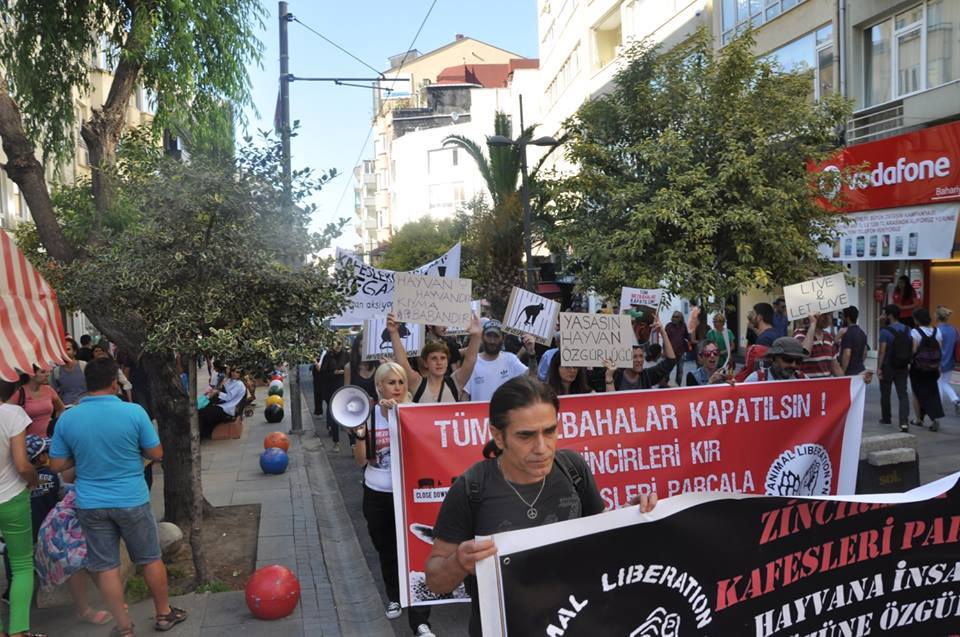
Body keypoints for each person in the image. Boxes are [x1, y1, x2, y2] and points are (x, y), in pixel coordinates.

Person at [425, 376, 657, 637]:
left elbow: (599, 534)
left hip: (575, 625)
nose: (542, 448)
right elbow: (435, 582)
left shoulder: (572, 469)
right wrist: (459, 562)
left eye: (550, 431)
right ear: (498, 436)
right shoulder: (472, 487)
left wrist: (630, 516)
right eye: (526, 436)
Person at [49, 356, 185, 636]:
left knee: (106, 566)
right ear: (114, 384)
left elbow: (57, 465)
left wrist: (82, 455)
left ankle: (123, 627)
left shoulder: (68, 418)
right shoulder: (133, 412)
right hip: (131, 498)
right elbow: (156, 453)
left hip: (90, 503)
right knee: (150, 558)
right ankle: (163, 614)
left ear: (87, 384)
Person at [351, 362, 434, 637]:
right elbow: (360, 461)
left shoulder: (414, 412)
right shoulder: (369, 415)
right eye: (391, 382)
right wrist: (360, 435)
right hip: (376, 493)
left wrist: (400, 415)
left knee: (416, 552)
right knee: (386, 549)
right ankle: (394, 596)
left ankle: (420, 620)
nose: (397, 387)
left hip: (408, 494)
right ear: (379, 386)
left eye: (401, 382)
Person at [0, 378, 43, 637]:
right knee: (22, 564)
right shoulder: (13, 414)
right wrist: (34, 480)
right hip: (12, 496)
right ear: (14, 391)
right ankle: (18, 631)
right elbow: (22, 465)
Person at [35, 485, 113, 626]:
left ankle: (112, 600)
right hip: (68, 519)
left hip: (91, 509)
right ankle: (85, 611)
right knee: (74, 558)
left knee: (94, 553)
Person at [388, 312, 481, 404]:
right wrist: (394, 333)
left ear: (447, 362)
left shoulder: (455, 383)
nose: (439, 362)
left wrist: (476, 336)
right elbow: (403, 363)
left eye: (443, 358)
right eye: (434, 358)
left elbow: (470, 360)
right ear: (426, 363)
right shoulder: (417, 384)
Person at [461, 321, 536, 402]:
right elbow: (464, 395)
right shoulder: (473, 363)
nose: (492, 341)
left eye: (496, 336)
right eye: (489, 336)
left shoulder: (510, 359)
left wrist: (531, 353)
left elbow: (531, 377)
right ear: (482, 337)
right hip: (480, 410)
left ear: (503, 338)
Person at [609, 317, 676, 391]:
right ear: (625, 358)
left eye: (641, 356)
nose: (639, 360)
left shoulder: (647, 376)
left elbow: (671, 361)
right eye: (634, 357)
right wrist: (609, 378)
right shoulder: (616, 376)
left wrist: (663, 332)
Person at [877, 304, 913, 432]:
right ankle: (904, 422)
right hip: (903, 365)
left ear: (890, 316)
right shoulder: (908, 329)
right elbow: (912, 346)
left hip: (888, 366)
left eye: (885, 314)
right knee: (903, 393)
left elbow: (882, 351)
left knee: (885, 392)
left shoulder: (885, 331)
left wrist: (879, 368)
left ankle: (886, 418)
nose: (883, 316)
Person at [909, 307, 944, 432]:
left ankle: (918, 419)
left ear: (917, 320)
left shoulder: (915, 332)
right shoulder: (937, 331)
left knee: (917, 392)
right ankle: (935, 418)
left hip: (918, 368)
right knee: (932, 392)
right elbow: (940, 350)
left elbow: (913, 350)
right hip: (933, 367)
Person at [198, 366, 246, 439]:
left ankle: (201, 435)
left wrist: (218, 392)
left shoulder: (239, 384)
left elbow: (228, 397)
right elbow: (221, 387)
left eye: (237, 372)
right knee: (203, 410)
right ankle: (205, 432)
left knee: (203, 413)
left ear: (241, 373)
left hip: (228, 408)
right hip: (223, 404)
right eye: (233, 371)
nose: (234, 373)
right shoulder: (231, 380)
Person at [735, 302, 778, 382]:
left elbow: (760, 368)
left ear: (759, 317)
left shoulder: (764, 339)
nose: (752, 318)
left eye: (754, 314)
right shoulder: (774, 334)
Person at [17, 367, 64, 437]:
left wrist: (55, 424)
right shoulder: (19, 392)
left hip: (50, 438)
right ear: (31, 374)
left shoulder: (49, 389)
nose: (48, 374)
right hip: (29, 440)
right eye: (43, 372)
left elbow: (60, 408)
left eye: (48, 371)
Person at [795, 314, 843, 379]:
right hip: (807, 384)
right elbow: (805, 353)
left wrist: (850, 381)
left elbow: (835, 367)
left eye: (829, 313)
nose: (827, 317)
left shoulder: (828, 336)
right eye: (823, 314)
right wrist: (813, 324)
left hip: (825, 384)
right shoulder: (800, 333)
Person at [742, 337, 807, 382]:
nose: (793, 365)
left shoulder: (803, 379)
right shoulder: (755, 379)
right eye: (788, 359)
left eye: (798, 360)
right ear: (773, 358)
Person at [935, 306, 959, 415]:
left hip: (939, 361)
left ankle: (938, 406)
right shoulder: (954, 329)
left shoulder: (937, 330)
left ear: (937, 317)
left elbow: (936, 348)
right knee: (944, 382)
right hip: (951, 361)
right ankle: (956, 400)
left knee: (939, 383)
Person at [51, 337, 87, 406]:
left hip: (84, 406)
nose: (65, 353)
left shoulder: (84, 366)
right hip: (66, 408)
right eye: (62, 350)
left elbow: (93, 389)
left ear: (75, 352)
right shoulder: (56, 371)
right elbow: (54, 394)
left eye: (68, 349)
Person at [839, 306, 868, 376]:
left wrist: (842, 372)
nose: (841, 318)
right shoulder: (862, 332)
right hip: (861, 370)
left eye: (843, 316)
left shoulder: (847, 333)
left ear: (847, 317)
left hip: (850, 372)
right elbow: (865, 352)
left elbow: (847, 354)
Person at [664, 311, 690, 386]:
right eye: (673, 316)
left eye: (676, 317)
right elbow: (665, 339)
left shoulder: (683, 326)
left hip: (680, 352)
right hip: (670, 352)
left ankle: (678, 386)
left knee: (680, 371)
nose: (674, 318)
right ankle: (664, 384)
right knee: (667, 370)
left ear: (680, 318)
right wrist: (664, 351)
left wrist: (691, 338)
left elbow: (686, 336)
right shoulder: (668, 326)